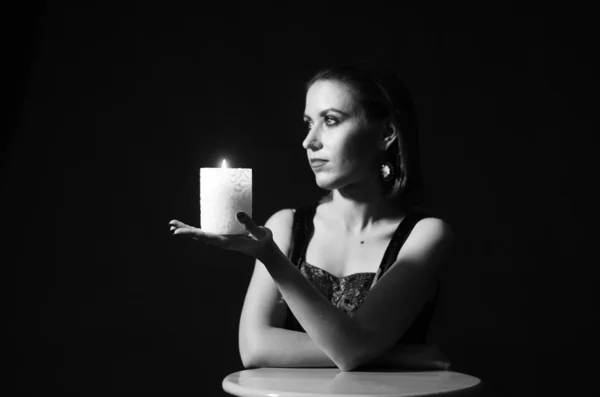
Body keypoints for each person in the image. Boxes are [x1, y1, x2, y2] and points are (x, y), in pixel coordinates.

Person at [169, 63, 455, 372]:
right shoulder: (286, 226)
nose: (309, 141)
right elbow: (253, 349)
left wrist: (272, 258)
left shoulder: (425, 236)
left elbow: (353, 350)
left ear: (386, 133)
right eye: (308, 124)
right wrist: (402, 356)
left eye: (331, 121)